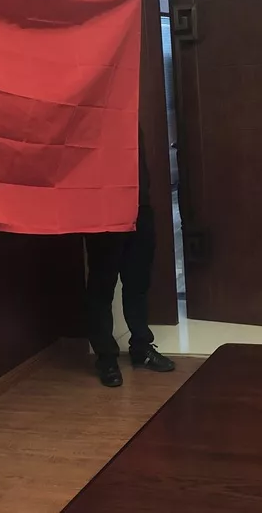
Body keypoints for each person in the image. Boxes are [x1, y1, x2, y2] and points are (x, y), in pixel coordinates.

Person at [86, 130, 175, 387]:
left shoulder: (130, 113)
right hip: (103, 207)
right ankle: (106, 358)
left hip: (139, 205)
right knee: (102, 284)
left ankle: (141, 347)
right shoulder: (89, 114)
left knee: (138, 281)